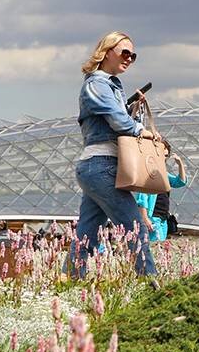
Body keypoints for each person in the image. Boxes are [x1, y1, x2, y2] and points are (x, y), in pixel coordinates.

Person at [69, 31, 161, 278]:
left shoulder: (111, 85)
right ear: (107, 52)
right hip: (101, 165)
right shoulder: (96, 84)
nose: (129, 58)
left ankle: (70, 280)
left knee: (86, 235)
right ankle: (150, 283)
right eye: (125, 53)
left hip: (99, 167)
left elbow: (117, 118)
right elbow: (116, 120)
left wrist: (133, 112)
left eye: (133, 55)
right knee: (135, 228)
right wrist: (140, 129)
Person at [133, 141, 188, 243]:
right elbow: (142, 198)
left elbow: (180, 182)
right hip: (153, 217)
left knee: (160, 245)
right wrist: (145, 218)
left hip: (163, 218)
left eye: (166, 156)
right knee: (154, 244)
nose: (164, 158)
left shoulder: (163, 174)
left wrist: (180, 164)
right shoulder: (148, 172)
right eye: (161, 155)